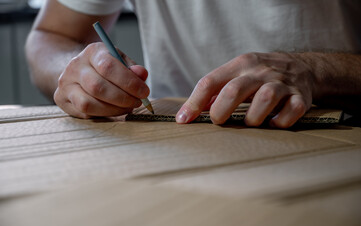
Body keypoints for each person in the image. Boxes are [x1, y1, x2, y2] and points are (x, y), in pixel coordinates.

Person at [26, 0, 361, 128]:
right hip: (172, 138)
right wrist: (79, 72)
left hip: (337, 133)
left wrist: (316, 70)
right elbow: (51, 35)